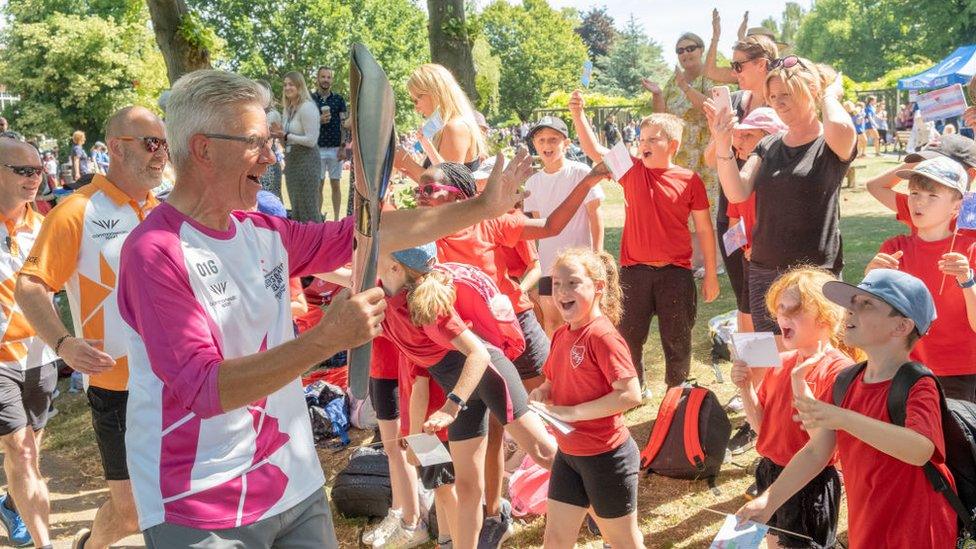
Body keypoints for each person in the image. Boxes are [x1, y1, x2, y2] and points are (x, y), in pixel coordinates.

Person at [113, 69, 533, 548]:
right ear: (204, 148)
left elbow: (368, 234)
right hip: (200, 500)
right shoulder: (155, 252)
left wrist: (478, 210)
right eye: (257, 142)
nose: (273, 155)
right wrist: (325, 340)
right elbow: (205, 390)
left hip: (292, 479)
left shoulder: (263, 230)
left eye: (271, 140)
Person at [415, 160, 607, 546]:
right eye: (418, 190)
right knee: (489, 432)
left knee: (553, 407)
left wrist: (588, 180)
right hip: (468, 349)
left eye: (430, 191)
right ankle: (494, 512)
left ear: (460, 196)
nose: (420, 197)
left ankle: (600, 502)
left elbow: (551, 227)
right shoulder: (420, 238)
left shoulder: (488, 222)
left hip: (514, 328)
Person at [16, 106, 166, 549]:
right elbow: (30, 285)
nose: (162, 155)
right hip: (116, 383)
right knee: (131, 511)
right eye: (152, 144)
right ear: (118, 148)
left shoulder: (165, 211)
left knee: (179, 493)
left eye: (165, 145)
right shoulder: (77, 210)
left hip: (173, 380)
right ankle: (90, 546)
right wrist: (62, 343)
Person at [737, 269, 958, 548]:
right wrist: (769, 500)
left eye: (866, 305)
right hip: (867, 522)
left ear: (901, 326)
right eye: (852, 302)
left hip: (918, 528)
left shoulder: (917, 384)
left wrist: (843, 418)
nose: (851, 311)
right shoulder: (847, 381)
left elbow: (920, 450)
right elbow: (817, 450)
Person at [376, 243, 556, 549]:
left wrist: (452, 404)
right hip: (457, 391)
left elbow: (478, 355)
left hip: (485, 375)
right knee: (467, 485)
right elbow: (419, 381)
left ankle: (605, 506)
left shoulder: (426, 307)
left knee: (543, 451)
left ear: (395, 267)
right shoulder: (383, 296)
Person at [571, 92, 720, 393]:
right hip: (634, 271)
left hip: (675, 273)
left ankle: (676, 392)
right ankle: (634, 388)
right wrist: (577, 114)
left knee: (677, 336)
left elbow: (704, 229)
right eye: (642, 138)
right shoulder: (630, 169)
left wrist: (712, 274)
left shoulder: (690, 180)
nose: (644, 144)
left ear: (673, 146)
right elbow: (593, 148)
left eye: (654, 139)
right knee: (628, 335)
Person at [706, 57, 856, 335]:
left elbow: (842, 127)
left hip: (814, 275)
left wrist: (830, 95)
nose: (778, 102)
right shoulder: (769, 143)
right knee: (771, 363)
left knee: (813, 361)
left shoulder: (831, 142)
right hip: (764, 270)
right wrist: (723, 144)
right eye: (773, 96)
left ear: (812, 91)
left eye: (787, 94)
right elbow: (736, 192)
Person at [731, 267, 857, 548]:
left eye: (794, 310)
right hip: (770, 471)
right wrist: (746, 388)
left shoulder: (839, 371)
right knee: (774, 543)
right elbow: (763, 429)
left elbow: (821, 448)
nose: (783, 317)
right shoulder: (783, 361)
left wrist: (801, 383)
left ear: (825, 318)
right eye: (780, 309)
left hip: (808, 481)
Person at [528, 249, 643, 549]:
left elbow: (631, 394)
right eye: (556, 285)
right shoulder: (562, 335)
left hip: (607, 458)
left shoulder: (602, 336)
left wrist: (573, 413)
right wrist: (542, 392)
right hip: (569, 455)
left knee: (623, 543)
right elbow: (552, 380)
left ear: (598, 288)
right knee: (554, 540)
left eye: (573, 283)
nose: (562, 292)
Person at [865, 157, 976, 401]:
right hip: (905, 369)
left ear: (957, 206)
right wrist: (869, 279)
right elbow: (869, 317)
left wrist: (967, 281)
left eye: (932, 196)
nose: (918, 201)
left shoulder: (970, 249)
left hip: (962, 370)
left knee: (957, 439)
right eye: (914, 192)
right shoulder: (894, 248)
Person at [0, 137, 58, 548]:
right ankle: (46, 544)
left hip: (41, 354)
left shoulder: (46, 225)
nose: (34, 178)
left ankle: (10, 503)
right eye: (23, 170)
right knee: (20, 452)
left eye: (37, 170)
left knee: (31, 452)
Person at [523, 116, 605, 336]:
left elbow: (595, 215)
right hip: (548, 265)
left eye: (553, 139)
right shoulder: (532, 183)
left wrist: (597, 255)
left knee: (582, 319)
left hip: (580, 264)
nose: (547, 145)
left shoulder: (580, 172)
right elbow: (539, 226)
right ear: (535, 145)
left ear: (566, 143)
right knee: (551, 322)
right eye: (541, 140)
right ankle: (557, 369)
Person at [395, 64, 488, 180]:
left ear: (433, 92)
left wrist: (406, 162)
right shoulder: (449, 125)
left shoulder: (455, 127)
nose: (416, 108)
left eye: (416, 100)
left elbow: (446, 187)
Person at [274, 71, 323, 222]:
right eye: (285, 85)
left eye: (291, 84)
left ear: (300, 86)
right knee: (296, 207)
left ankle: (318, 240)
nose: (287, 87)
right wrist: (279, 135)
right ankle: (303, 241)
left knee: (308, 207)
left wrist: (287, 136)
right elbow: (285, 140)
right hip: (292, 161)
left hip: (307, 160)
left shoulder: (307, 107)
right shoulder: (287, 109)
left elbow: (311, 140)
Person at [310, 66, 348, 221]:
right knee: (318, 185)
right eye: (323, 77)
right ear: (318, 79)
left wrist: (343, 146)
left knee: (336, 184)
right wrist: (318, 120)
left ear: (332, 80)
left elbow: (344, 124)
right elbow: (305, 123)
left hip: (335, 148)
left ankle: (338, 218)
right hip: (316, 148)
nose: (326, 80)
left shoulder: (339, 99)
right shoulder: (310, 99)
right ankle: (318, 218)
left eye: (328, 77)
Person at [256, 80, 284, 200]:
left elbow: (272, 136)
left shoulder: (272, 114)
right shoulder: (254, 113)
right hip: (259, 161)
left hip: (269, 164)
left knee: (270, 199)